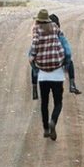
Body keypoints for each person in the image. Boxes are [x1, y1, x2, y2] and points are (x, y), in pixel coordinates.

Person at [29, 8, 66, 140]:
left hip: (43, 73)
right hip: (57, 72)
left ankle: (45, 128)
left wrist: (32, 56)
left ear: (39, 19)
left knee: (44, 102)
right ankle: (53, 121)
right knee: (58, 102)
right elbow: (62, 38)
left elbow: (34, 45)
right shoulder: (55, 26)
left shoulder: (37, 29)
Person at [29, 12, 81, 99]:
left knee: (33, 62)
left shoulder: (42, 33)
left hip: (42, 62)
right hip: (58, 61)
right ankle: (72, 84)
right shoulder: (59, 34)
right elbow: (67, 52)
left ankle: (34, 89)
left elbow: (33, 48)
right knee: (70, 61)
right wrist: (66, 65)